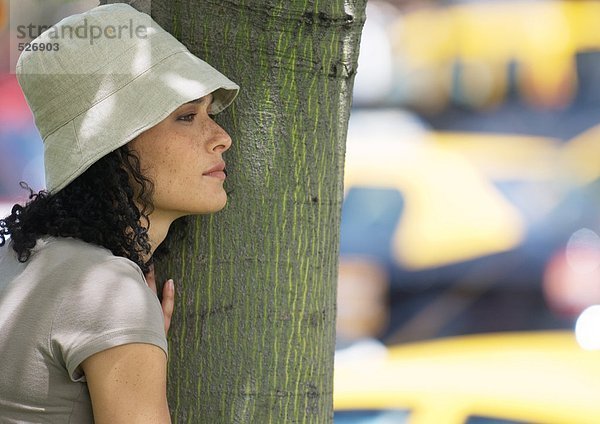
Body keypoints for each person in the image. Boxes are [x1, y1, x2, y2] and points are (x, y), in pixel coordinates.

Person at [0, 3, 239, 423]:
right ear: (113, 147)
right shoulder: (109, 293)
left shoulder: (20, 262)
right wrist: (126, 324)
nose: (221, 138)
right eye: (186, 117)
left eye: (209, 114)